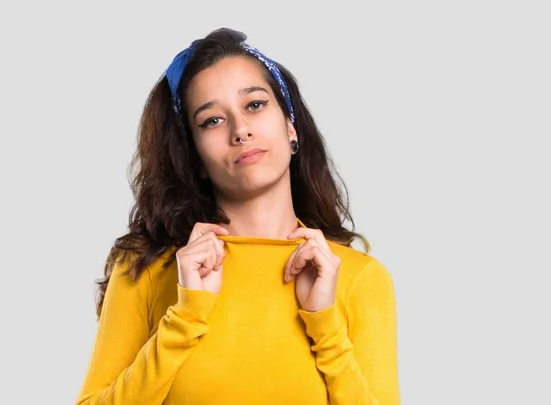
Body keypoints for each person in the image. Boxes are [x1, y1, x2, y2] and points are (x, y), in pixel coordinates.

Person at [76, 27, 400, 405]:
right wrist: (184, 319)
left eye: (255, 105)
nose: (240, 130)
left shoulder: (359, 278)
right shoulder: (145, 268)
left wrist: (325, 328)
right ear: (195, 157)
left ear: (291, 127)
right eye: (212, 120)